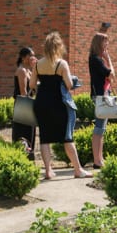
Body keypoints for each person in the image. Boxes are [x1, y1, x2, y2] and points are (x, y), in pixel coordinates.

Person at [30, 32, 91, 179]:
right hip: (59, 103)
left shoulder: (38, 64)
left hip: (42, 103)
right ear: (59, 47)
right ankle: (78, 169)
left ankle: (48, 171)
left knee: (44, 138)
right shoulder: (61, 64)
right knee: (67, 137)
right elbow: (69, 85)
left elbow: (32, 85)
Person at [88, 32, 114, 168]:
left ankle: (100, 159)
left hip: (102, 95)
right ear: (99, 43)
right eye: (105, 42)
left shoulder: (97, 59)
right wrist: (108, 59)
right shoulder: (96, 60)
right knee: (99, 128)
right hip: (99, 96)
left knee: (101, 128)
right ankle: (97, 161)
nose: (107, 44)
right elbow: (111, 75)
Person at [13, 47, 37, 159]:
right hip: (23, 106)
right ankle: (22, 157)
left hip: (28, 105)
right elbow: (23, 92)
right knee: (23, 134)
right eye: (30, 55)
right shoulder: (21, 71)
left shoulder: (29, 71)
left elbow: (34, 88)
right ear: (23, 58)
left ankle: (29, 158)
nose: (33, 57)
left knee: (30, 133)